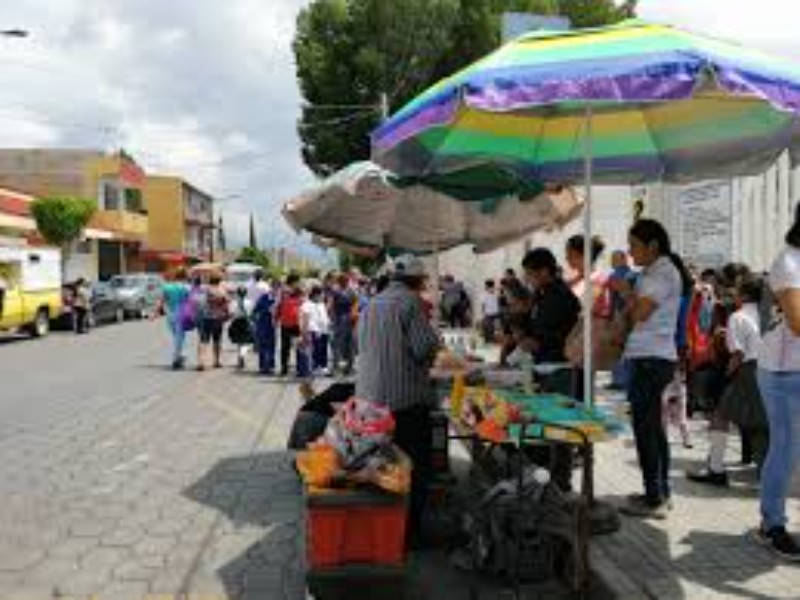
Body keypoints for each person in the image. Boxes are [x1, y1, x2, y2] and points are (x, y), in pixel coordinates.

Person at [356, 254, 440, 544]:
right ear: (417, 280)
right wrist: (434, 342)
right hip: (404, 403)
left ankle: (383, 529)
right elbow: (423, 348)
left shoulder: (371, 303)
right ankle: (409, 533)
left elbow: (360, 345)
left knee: (382, 468)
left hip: (370, 402)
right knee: (413, 468)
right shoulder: (410, 302)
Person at [619, 219, 689, 520]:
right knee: (651, 428)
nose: (630, 252)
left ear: (653, 245)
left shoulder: (661, 272)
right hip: (650, 356)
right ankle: (658, 491)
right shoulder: (654, 271)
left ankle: (655, 497)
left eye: (634, 245)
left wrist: (627, 294)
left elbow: (641, 313)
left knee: (646, 429)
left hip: (652, 358)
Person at [751, 203, 800, 560]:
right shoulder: (789, 263)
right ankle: (771, 525)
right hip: (783, 372)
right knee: (784, 448)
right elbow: (797, 321)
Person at [689, 276, 768, 487]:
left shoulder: (737, 317)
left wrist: (726, 374)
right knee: (760, 423)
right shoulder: (766, 314)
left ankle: (716, 470)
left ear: (744, 295)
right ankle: (765, 475)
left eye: (737, 290)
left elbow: (738, 354)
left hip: (746, 371)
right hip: (768, 371)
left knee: (721, 416)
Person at [520, 248, 582, 491]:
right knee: (543, 424)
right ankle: (545, 476)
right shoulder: (541, 294)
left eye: (530, 273)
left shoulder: (563, 296)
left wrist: (540, 341)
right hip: (542, 365)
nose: (529, 279)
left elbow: (569, 334)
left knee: (559, 426)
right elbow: (537, 325)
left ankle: (561, 480)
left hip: (560, 367)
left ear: (544, 271)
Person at [607, 250, 638, 390]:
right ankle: (628, 379)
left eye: (614, 259)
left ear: (623, 259)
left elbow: (612, 299)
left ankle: (618, 380)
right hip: (633, 316)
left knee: (617, 348)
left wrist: (611, 317)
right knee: (629, 348)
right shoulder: (634, 275)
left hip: (620, 314)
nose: (612, 262)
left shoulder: (614, 276)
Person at [160, 268, 191, 370]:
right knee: (180, 337)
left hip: (170, 314)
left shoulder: (167, 287)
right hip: (182, 314)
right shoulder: (187, 288)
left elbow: (162, 301)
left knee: (176, 336)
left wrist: (155, 313)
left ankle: (180, 356)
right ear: (185, 276)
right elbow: (190, 301)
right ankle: (176, 359)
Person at [198, 272, 230, 370]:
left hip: (206, 317)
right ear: (219, 281)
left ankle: (201, 362)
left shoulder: (204, 290)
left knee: (203, 340)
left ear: (210, 280)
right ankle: (217, 361)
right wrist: (227, 314)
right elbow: (227, 303)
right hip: (218, 318)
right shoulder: (222, 290)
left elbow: (199, 303)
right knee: (217, 340)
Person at [565, 234, 608, 302]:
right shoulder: (572, 277)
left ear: (584, 256)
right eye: (567, 254)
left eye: (570, 254)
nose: (567, 258)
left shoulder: (598, 279)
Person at [330, 274, 357, 376]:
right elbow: (331, 306)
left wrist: (353, 314)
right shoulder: (337, 292)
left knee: (347, 344)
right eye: (344, 280)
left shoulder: (350, 291)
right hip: (342, 319)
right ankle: (340, 367)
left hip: (346, 319)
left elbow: (355, 304)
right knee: (340, 345)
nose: (346, 282)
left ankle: (347, 367)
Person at [277, 273, 304, 377]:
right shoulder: (289, 291)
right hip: (292, 322)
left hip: (291, 322)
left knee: (289, 346)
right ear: (294, 281)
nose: (299, 283)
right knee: (291, 346)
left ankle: (290, 368)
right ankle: (294, 368)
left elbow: (278, 305)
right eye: (298, 281)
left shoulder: (287, 291)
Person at [302, 285, 332, 376]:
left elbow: (324, 316)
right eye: (321, 294)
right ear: (315, 294)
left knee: (324, 349)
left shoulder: (321, 304)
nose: (322, 296)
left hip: (324, 330)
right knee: (316, 350)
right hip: (314, 330)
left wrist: (328, 323)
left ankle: (323, 367)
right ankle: (315, 367)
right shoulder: (307, 304)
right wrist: (305, 332)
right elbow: (305, 318)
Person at [252, 278, 279, 375]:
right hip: (263, 324)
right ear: (271, 287)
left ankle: (270, 366)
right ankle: (263, 366)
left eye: (277, 288)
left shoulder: (280, 298)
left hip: (274, 325)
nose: (276, 290)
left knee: (272, 345)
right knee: (263, 345)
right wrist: (267, 310)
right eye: (274, 288)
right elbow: (255, 310)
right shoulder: (264, 297)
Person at [481, 279, 501, 344]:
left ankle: (491, 340)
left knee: (492, 329)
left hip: (493, 314)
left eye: (486, 286)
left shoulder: (494, 293)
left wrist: (483, 313)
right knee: (490, 328)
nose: (485, 287)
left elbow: (483, 305)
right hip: (491, 313)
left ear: (487, 286)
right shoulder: (487, 294)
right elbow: (483, 305)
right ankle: (489, 340)